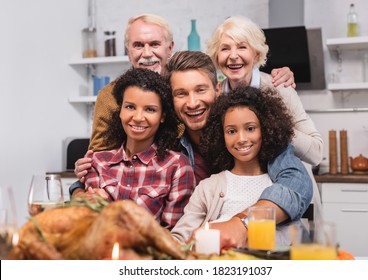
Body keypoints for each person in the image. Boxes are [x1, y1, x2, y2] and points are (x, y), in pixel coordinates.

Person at [72, 13, 296, 189]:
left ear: (169, 48)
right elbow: (98, 162)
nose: (146, 53)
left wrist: (274, 78)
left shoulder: (191, 88)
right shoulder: (111, 96)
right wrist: (79, 188)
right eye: (138, 45)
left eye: (155, 44)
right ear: (128, 50)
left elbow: (288, 174)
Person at [165, 51, 312, 247]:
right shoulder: (169, 147)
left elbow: (296, 183)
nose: (192, 103)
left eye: (200, 90)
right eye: (181, 93)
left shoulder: (262, 137)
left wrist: (243, 223)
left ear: (217, 89)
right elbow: (182, 234)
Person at [81, 68, 196, 229]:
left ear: (162, 116)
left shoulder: (177, 166)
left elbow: (173, 235)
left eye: (150, 109)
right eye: (130, 107)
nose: (138, 117)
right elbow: (91, 226)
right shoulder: (97, 162)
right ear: (120, 110)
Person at [206, 15, 323, 166]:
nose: (233, 56)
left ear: (256, 55)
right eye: (225, 48)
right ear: (216, 56)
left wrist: (279, 127)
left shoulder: (280, 87)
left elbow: (316, 153)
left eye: (242, 47)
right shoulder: (215, 95)